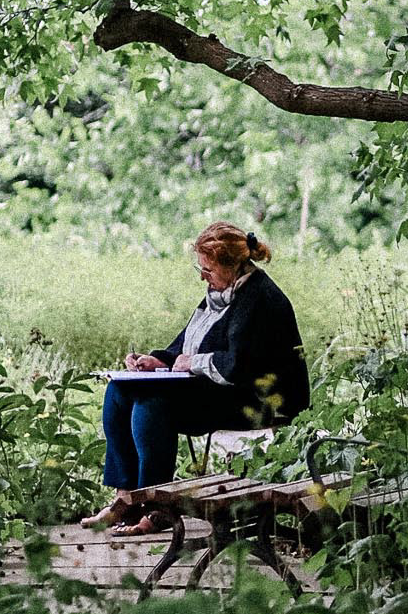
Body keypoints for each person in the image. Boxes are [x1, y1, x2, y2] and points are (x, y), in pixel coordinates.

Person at [81, 222, 309, 535]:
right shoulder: (223, 289)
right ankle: (127, 497)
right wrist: (159, 359)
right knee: (119, 391)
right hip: (221, 389)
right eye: (200, 268)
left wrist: (192, 362)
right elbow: (189, 342)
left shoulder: (258, 299)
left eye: (208, 269)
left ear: (231, 266)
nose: (202, 276)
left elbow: (238, 366)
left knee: (153, 405)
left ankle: (157, 506)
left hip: (257, 399)